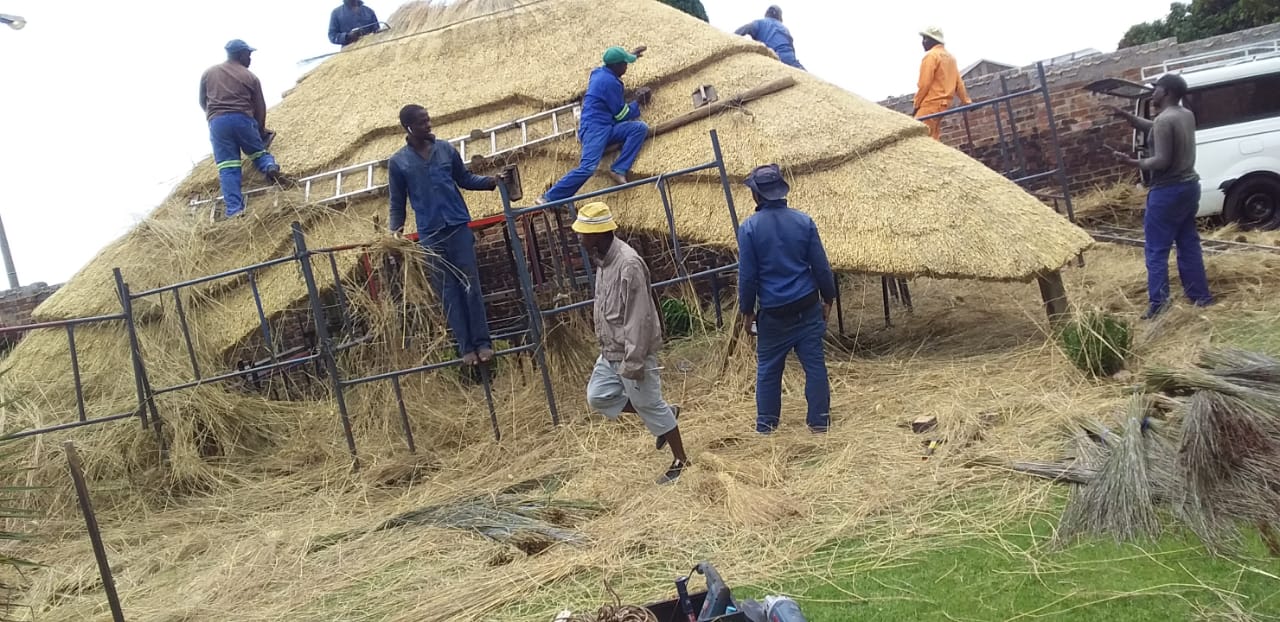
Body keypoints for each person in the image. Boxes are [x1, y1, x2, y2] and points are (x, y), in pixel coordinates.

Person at [575, 202, 689, 485]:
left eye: (583, 233)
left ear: (598, 234)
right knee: (598, 396)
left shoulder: (629, 264)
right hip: (610, 351)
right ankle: (665, 414)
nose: (579, 238)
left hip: (630, 350)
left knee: (649, 404)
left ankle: (681, 460)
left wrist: (634, 360)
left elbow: (639, 317)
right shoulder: (603, 262)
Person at [389, 104, 504, 366]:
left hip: (458, 227)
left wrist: (490, 181)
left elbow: (464, 179)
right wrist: (394, 233)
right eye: (422, 122)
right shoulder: (398, 163)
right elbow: (397, 204)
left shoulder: (445, 149)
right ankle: (466, 348)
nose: (428, 125)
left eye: (428, 120)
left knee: (470, 285)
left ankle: (483, 343)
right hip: (431, 235)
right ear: (409, 127)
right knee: (447, 291)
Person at [736, 164, 836, 434]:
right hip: (807, 306)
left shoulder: (749, 229)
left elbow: (748, 277)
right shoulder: (804, 221)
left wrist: (747, 312)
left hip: (774, 314)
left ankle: (766, 426)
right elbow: (821, 267)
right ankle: (820, 422)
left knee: (768, 370)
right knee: (814, 366)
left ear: (756, 195)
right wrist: (828, 298)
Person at [1108, 73, 1213, 319]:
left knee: (1156, 250)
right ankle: (1200, 297)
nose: (1152, 93)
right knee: (1188, 244)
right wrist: (1127, 117)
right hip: (1189, 187)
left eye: (1156, 89)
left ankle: (1159, 305)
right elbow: (1156, 129)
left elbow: (1162, 160)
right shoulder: (1185, 114)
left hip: (1167, 191)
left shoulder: (1165, 120)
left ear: (1166, 92)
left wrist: (1132, 162)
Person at [535, 46, 652, 205]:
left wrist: (631, 55)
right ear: (616, 66)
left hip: (607, 126)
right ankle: (549, 197)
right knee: (588, 167)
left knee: (639, 128)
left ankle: (618, 169)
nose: (626, 67)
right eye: (625, 64)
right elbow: (621, 115)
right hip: (594, 129)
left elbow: (616, 116)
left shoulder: (600, 72)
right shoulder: (610, 83)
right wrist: (638, 103)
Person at [199, 39, 281, 218]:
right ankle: (269, 166)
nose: (250, 58)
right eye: (248, 55)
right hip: (243, 119)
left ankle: (235, 210)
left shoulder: (209, 73)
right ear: (241, 55)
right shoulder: (250, 77)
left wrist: (214, 116)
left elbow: (202, 101)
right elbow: (260, 107)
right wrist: (260, 130)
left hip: (218, 123)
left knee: (228, 166)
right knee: (258, 153)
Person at [913, 27, 972, 141]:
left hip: (931, 104)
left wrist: (916, 104)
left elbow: (924, 84)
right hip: (944, 105)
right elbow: (959, 83)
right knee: (933, 136)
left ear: (933, 40)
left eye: (925, 38)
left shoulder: (931, 56)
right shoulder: (950, 57)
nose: (922, 42)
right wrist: (966, 101)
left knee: (918, 136)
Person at [734, 5, 805, 70]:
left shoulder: (760, 23)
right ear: (779, 16)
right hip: (790, 59)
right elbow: (791, 46)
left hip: (773, 57)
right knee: (805, 76)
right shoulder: (785, 28)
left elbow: (746, 28)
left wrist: (732, 38)